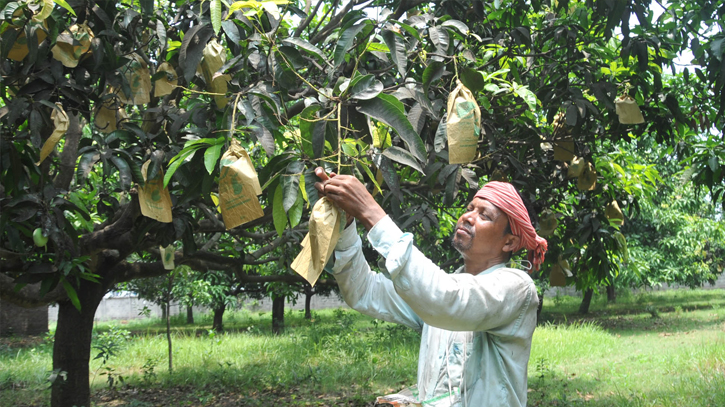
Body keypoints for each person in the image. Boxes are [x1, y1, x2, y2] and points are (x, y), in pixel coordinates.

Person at [314, 167, 547, 407]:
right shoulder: (440, 289)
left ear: (509, 242)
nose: (468, 217)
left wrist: (370, 211)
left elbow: (447, 300)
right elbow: (365, 291)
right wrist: (347, 223)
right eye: (469, 209)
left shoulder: (517, 288)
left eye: (484, 215)